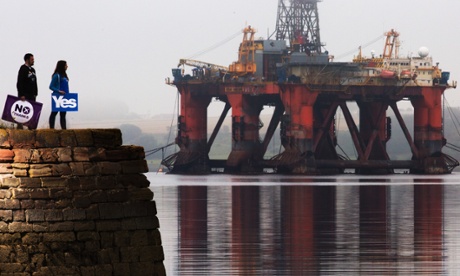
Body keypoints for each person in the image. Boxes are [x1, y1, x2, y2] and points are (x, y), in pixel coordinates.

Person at [16, 53, 38, 129]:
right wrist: (21, 94)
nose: (33, 61)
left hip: (32, 95)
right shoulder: (23, 69)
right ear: (27, 60)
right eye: (32, 59)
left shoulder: (33, 70)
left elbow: (34, 82)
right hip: (25, 95)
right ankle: (19, 128)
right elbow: (19, 82)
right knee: (22, 113)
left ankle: (31, 128)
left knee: (31, 112)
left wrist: (36, 92)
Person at [49, 60, 69, 129]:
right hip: (57, 96)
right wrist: (58, 91)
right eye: (66, 65)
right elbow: (51, 86)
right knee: (54, 113)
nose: (67, 66)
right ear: (62, 66)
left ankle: (64, 129)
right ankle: (51, 129)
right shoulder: (56, 75)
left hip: (65, 97)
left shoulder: (65, 75)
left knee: (63, 114)